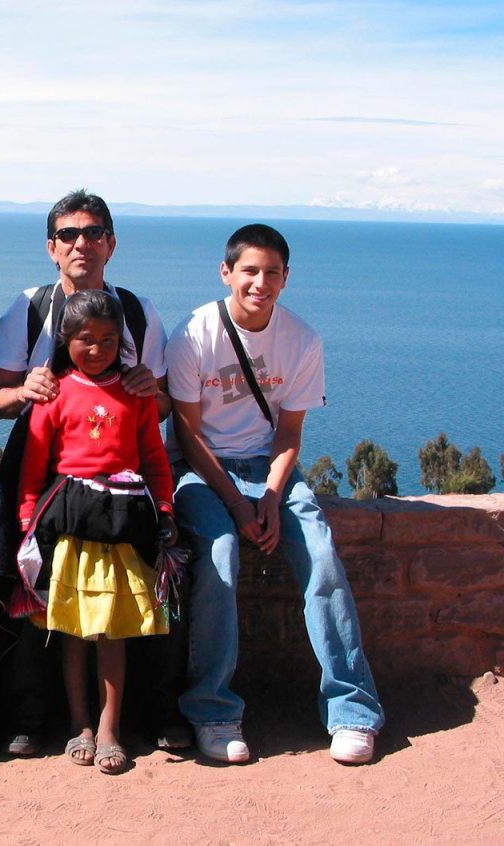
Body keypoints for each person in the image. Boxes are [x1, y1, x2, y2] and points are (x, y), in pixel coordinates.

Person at [0, 189, 188, 756]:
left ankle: (157, 712)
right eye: (68, 234)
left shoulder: (139, 313)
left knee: (156, 587)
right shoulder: (28, 307)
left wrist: (150, 390)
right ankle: (31, 712)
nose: (81, 244)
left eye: (92, 233)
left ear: (111, 244)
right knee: (27, 585)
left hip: (120, 477)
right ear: (52, 247)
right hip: (41, 464)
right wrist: (24, 390)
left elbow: (160, 405)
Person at [166, 223, 384, 765]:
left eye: (272, 273)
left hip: (271, 468)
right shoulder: (192, 334)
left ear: (286, 279)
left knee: (321, 556)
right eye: (249, 271)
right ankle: (213, 712)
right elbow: (189, 438)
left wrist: (268, 494)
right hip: (205, 470)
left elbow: (289, 435)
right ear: (227, 273)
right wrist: (239, 506)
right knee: (218, 556)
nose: (260, 283)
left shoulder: (302, 339)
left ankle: (353, 711)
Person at [12, 290, 178, 775]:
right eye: (86, 338)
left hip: (122, 532)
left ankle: (109, 727)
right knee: (73, 633)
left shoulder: (137, 393)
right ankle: (79, 724)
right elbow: (33, 468)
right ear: (66, 338)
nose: (98, 348)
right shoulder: (54, 394)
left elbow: (153, 459)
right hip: (70, 530)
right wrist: (26, 521)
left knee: (111, 632)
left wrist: (164, 509)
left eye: (109, 339)